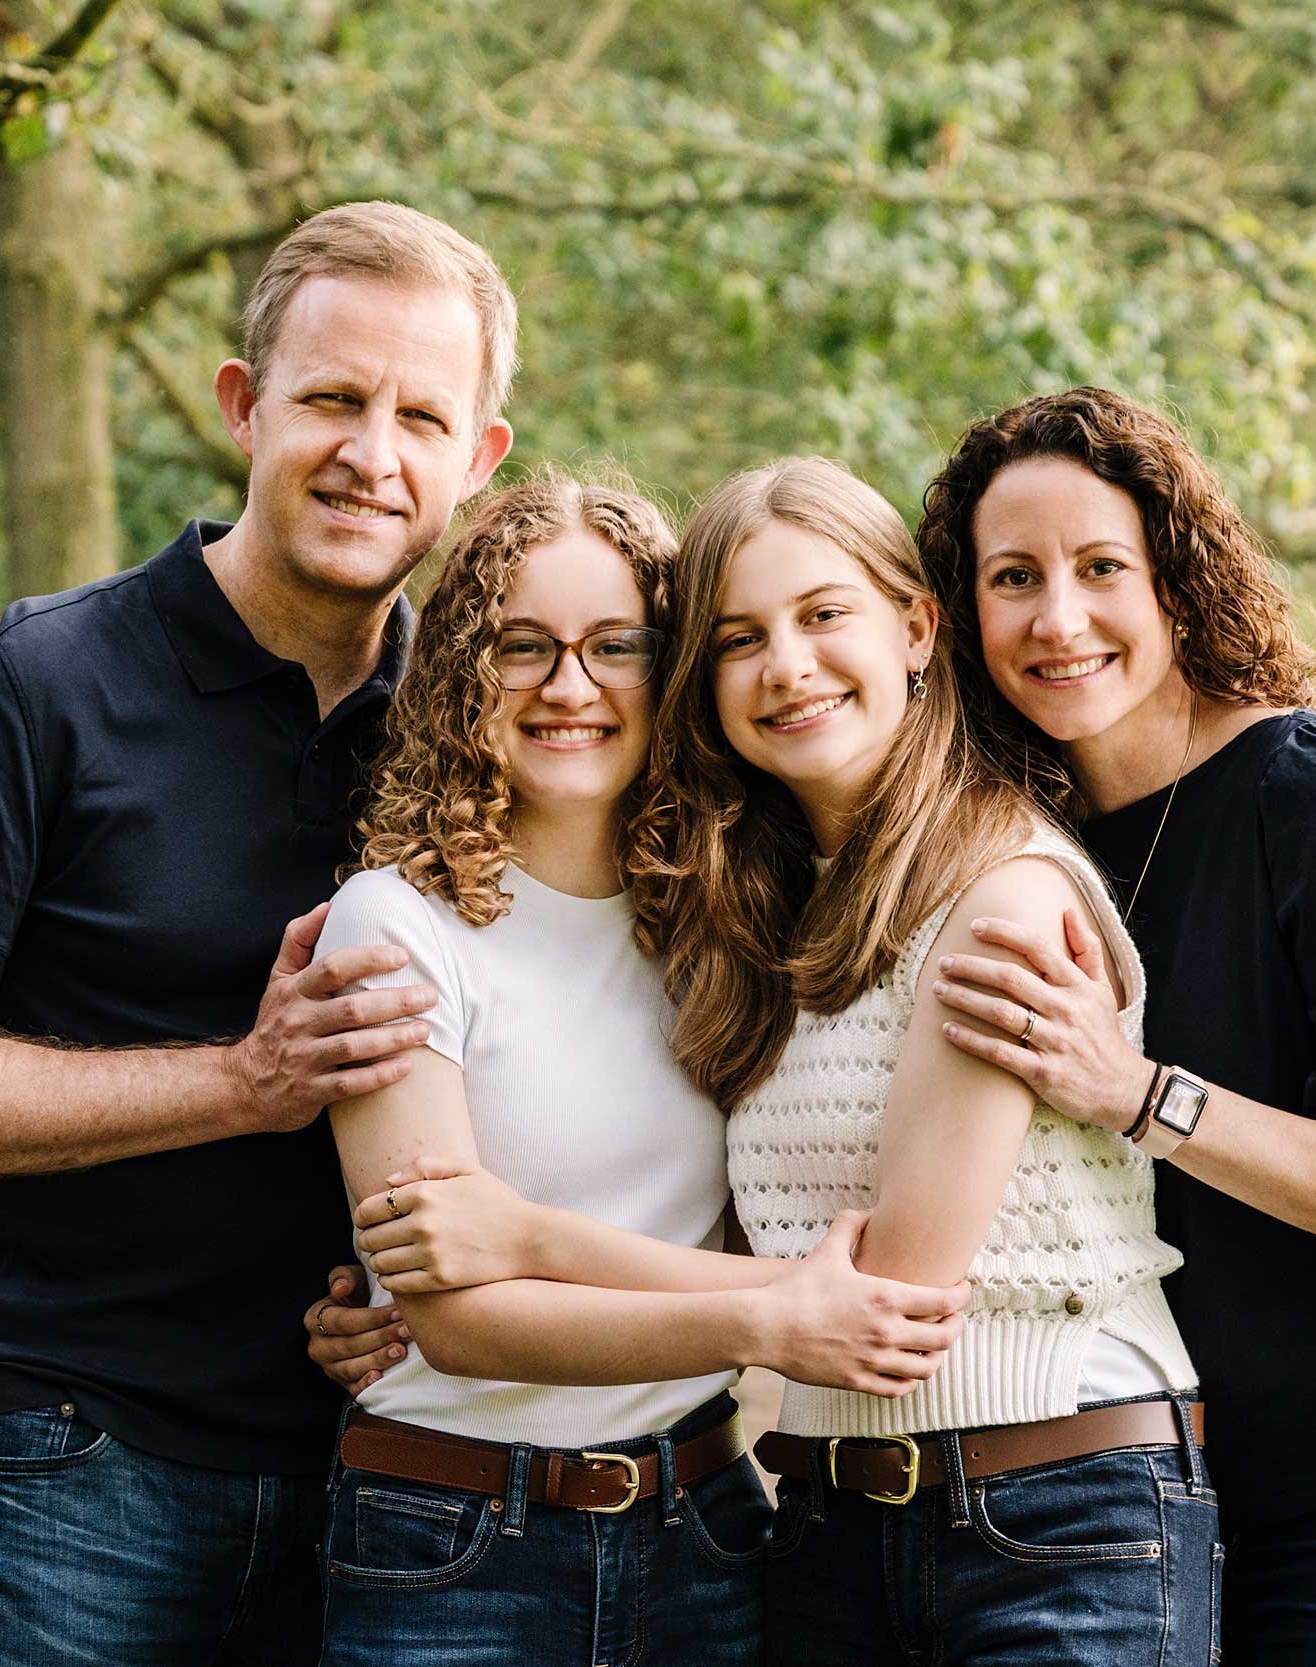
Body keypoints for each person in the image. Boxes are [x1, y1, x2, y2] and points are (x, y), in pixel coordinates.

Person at [0, 201, 514, 1663]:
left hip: (390, 1471)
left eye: (420, 417)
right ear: (244, 407)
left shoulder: (479, 726)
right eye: (331, 398)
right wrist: (238, 1080)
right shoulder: (44, 683)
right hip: (81, 1456)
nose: (371, 454)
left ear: (478, 460)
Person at [914, 386, 1316, 1665]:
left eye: (1101, 566)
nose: (1059, 618)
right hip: (1172, 1502)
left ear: (1177, 575)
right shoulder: (1029, 849)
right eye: (1013, 577)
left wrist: (1139, 1091)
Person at [310, 468, 973, 1666]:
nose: (570, 686)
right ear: (462, 669)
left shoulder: (723, 920)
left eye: (616, 644)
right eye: (522, 646)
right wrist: (772, 1321)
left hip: (706, 1530)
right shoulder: (393, 925)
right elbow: (458, 1320)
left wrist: (552, 1242)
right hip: (458, 1539)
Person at [661, 456, 1218, 1665]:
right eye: (736, 638)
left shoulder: (999, 890)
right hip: (824, 1519)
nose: (787, 666)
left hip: (1053, 1511)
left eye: (822, 615)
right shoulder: (762, 918)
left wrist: (516, 1268)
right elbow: (728, 1247)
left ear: (915, 624)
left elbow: (895, 1292)